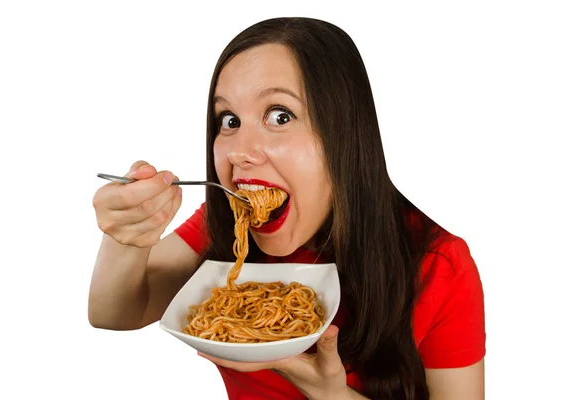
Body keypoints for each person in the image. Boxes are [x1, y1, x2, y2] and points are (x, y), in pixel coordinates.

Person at [89, 17, 485, 400]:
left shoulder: (440, 264)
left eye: (280, 115)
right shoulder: (224, 223)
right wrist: (127, 238)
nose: (239, 153)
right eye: (228, 120)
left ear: (345, 134)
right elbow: (117, 313)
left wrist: (330, 396)